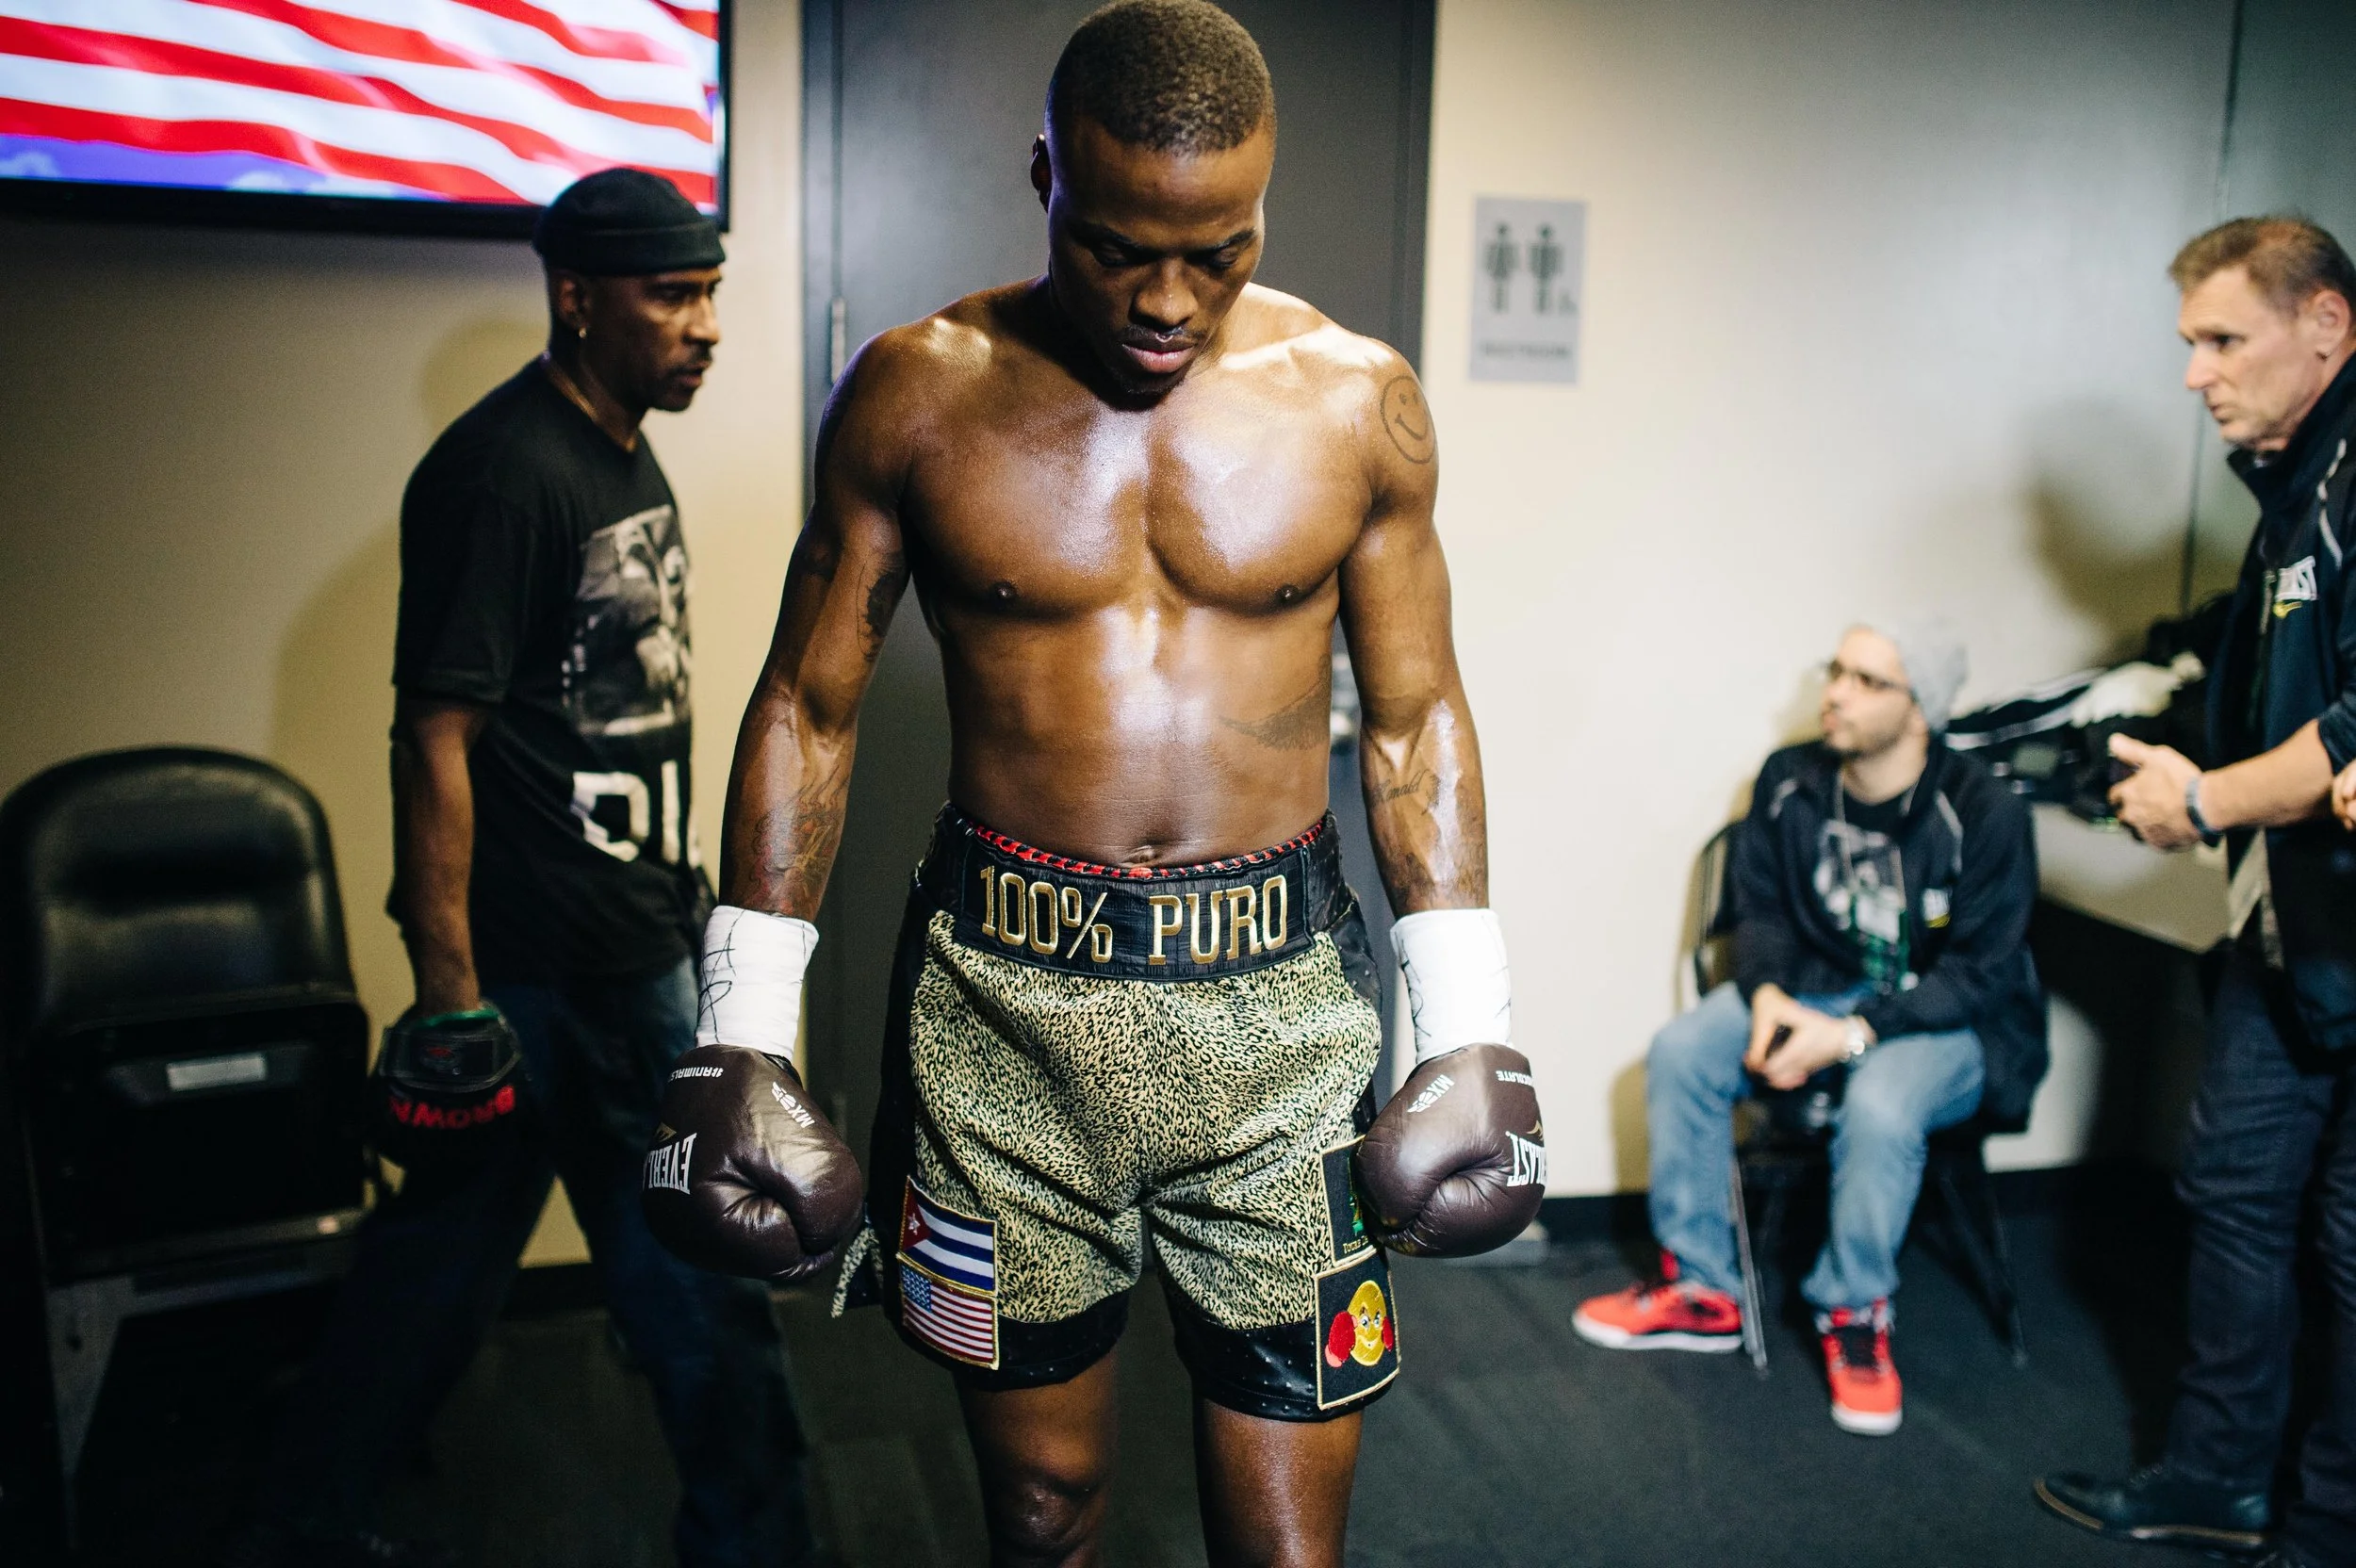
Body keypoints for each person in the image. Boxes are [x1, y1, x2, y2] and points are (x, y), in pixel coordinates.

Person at [630, 5, 1546, 1565]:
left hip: (1280, 1029)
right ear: (1046, 171)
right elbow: (809, 700)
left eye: (1221, 249)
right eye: (1122, 246)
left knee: (1286, 1546)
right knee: (1042, 1514)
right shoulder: (917, 391)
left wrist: (1469, 1022)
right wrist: (741, 1029)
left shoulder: (1357, 402)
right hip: (1003, 1019)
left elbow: (1413, 713)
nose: (1170, 300)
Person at [223, 170, 817, 1568]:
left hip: (620, 937)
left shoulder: (618, 445)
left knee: (433, 1275)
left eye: (711, 292)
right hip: (570, 971)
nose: (706, 326)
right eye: (673, 295)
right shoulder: (506, 471)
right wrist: (450, 997)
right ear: (575, 298)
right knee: (704, 1278)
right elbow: (434, 732)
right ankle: (766, 1546)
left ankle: (298, 1520)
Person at [2038, 217, 2356, 1568]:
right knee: (2232, 1193)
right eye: (2190, 343)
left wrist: (2213, 799)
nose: (2194, 375)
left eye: (2224, 339)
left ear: (2327, 328)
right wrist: (2198, 775)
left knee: (2347, 1240)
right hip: (2291, 928)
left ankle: (2332, 1520)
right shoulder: (2294, 487)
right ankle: (2217, 1481)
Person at [1572, 621, 2044, 1437]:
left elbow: (1979, 975)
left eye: (1868, 681)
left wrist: (1855, 1033)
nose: (1836, 693)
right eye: (1837, 672)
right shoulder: (1791, 779)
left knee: (1884, 1103)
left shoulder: (1985, 810)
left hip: (1951, 1020)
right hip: (1817, 992)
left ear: (1919, 708)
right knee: (1684, 1051)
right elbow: (1760, 913)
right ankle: (1706, 1290)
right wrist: (1765, 1000)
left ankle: (1855, 1313)